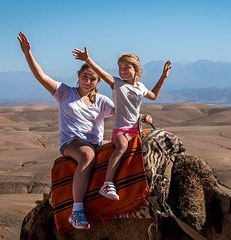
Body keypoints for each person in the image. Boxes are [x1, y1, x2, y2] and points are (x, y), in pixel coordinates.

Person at [17, 32, 116, 230]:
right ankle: (76, 211)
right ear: (78, 77)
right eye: (85, 77)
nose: (88, 81)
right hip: (72, 141)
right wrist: (28, 54)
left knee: (119, 149)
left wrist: (141, 118)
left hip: (96, 142)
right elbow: (41, 76)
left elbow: (123, 114)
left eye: (93, 79)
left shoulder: (102, 101)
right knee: (87, 155)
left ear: (98, 82)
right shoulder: (64, 92)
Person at [72, 47, 171, 201]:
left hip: (136, 128)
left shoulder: (141, 87)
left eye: (127, 67)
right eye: (120, 68)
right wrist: (87, 59)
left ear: (136, 70)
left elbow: (154, 95)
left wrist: (164, 76)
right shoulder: (117, 84)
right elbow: (102, 73)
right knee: (122, 146)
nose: (123, 71)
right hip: (121, 130)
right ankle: (107, 183)